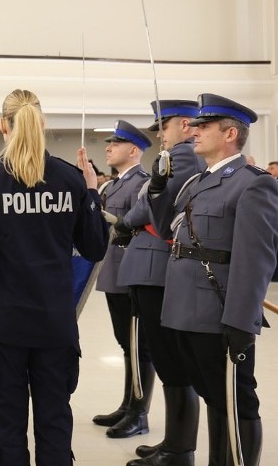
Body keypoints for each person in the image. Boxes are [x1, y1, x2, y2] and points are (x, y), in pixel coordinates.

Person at [0, 89, 108, 465]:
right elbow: (94, 249)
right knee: (55, 422)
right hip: (54, 323)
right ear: (42, 123)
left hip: (2, 324)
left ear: (2, 126)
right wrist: (92, 194)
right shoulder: (70, 179)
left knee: (7, 428)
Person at [148, 94, 278, 466]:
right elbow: (166, 231)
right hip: (185, 309)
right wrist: (158, 188)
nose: (195, 130)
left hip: (218, 311)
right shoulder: (195, 182)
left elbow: (255, 259)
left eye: (205, 126)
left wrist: (241, 319)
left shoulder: (251, 184)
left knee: (235, 402)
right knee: (212, 397)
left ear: (230, 134)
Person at [115, 101, 205, 466]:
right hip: (149, 266)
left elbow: (147, 207)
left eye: (163, 125)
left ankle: (179, 450)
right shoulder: (175, 154)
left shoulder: (181, 157)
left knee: (171, 361)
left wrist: (128, 221)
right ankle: (173, 442)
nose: (158, 133)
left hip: (156, 267)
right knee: (167, 360)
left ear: (185, 125)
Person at [92, 119, 155, 439]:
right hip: (113, 273)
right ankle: (128, 404)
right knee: (125, 344)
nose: (108, 148)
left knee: (139, 346)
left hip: (131, 274)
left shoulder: (142, 183)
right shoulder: (114, 184)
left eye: (114, 144)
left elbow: (142, 228)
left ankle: (139, 412)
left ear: (133, 150)